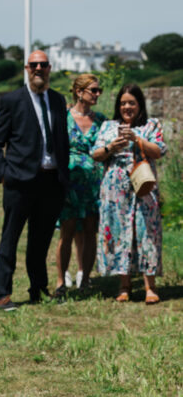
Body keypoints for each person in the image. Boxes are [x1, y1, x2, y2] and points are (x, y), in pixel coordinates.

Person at [0, 51, 70, 310]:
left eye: (43, 65)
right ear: (26, 68)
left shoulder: (57, 100)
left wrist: (63, 176)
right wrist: (3, 174)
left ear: (49, 68)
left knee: (41, 239)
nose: (38, 69)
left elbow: (62, 141)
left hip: (50, 182)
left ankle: (38, 288)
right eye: (33, 65)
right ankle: (2, 294)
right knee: (10, 239)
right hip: (19, 182)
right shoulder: (12, 100)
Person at [92, 84, 166, 303]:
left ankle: (149, 287)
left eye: (131, 103)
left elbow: (159, 151)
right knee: (119, 233)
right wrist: (111, 148)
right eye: (123, 103)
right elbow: (95, 154)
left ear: (139, 105)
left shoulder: (151, 125)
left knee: (147, 233)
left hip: (143, 187)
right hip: (115, 190)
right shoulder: (108, 126)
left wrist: (137, 139)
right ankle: (124, 286)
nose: (127, 107)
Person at [53, 75, 106, 298]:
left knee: (90, 231)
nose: (97, 94)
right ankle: (60, 281)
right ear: (79, 92)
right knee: (67, 231)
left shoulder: (102, 120)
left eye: (99, 90)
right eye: (93, 90)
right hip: (70, 182)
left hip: (94, 183)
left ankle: (85, 279)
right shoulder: (63, 117)